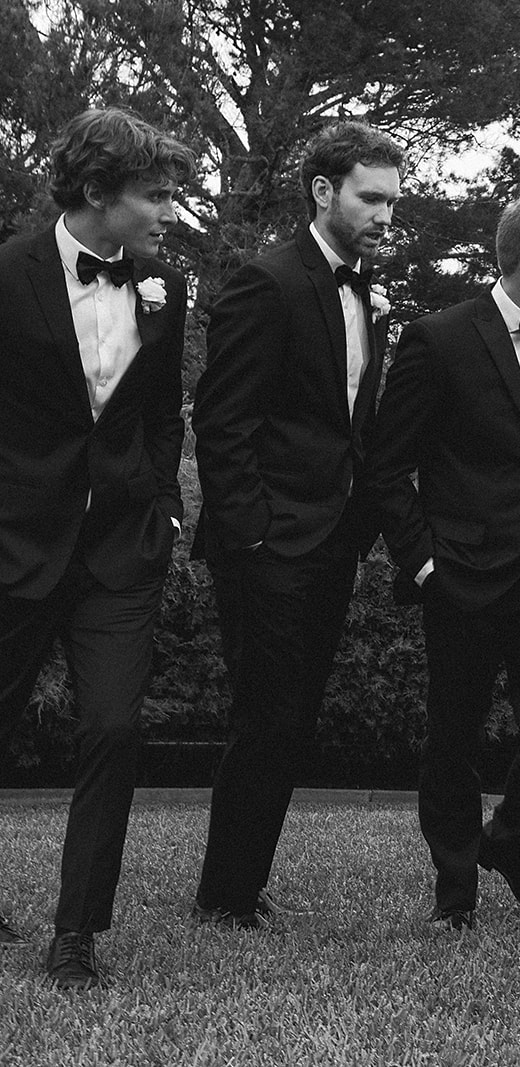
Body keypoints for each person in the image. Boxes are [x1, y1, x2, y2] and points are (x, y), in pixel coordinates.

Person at [361, 190, 520, 930]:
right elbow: (388, 466)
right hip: (463, 577)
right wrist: (424, 563)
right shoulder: (439, 340)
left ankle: (508, 842)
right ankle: (454, 892)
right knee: (455, 737)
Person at [190, 121, 405, 928]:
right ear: (323, 191)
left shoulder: (364, 294)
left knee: (290, 719)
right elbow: (222, 424)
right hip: (269, 544)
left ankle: (237, 883)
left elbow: (351, 424)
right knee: (266, 717)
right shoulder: (266, 282)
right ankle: (228, 893)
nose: (385, 215)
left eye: (392, 201)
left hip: (329, 543)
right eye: (371, 197)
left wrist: (353, 535)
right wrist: (253, 536)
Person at [0, 107, 192, 988]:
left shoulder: (166, 286)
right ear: (94, 193)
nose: (168, 212)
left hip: (122, 553)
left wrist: (163, 504)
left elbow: (160, 411)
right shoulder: (7, 275)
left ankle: (76, 931)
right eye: (155, 195)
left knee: (112, 727)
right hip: (14, 545)